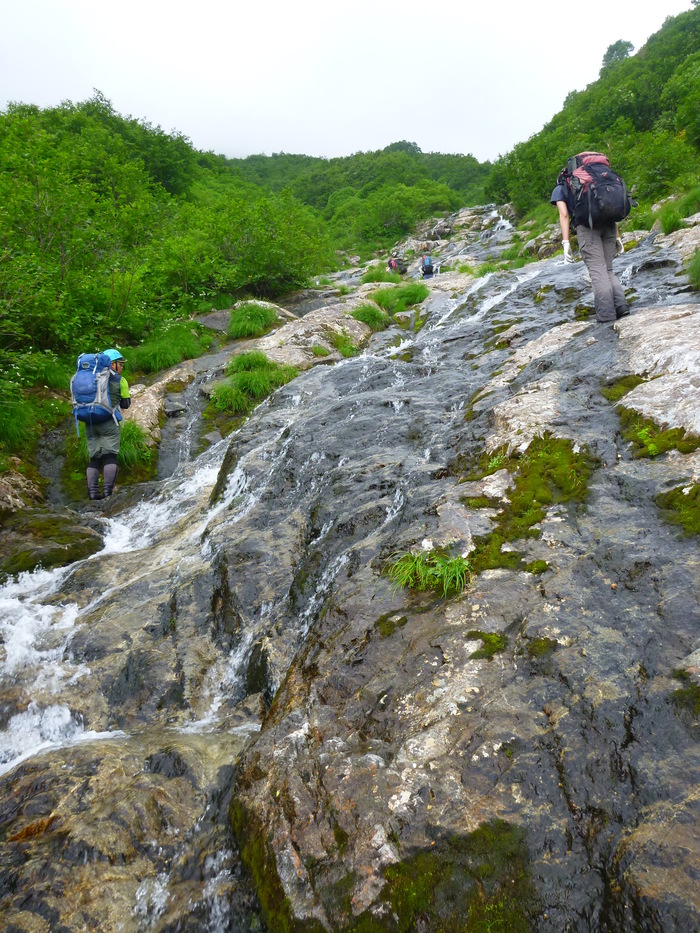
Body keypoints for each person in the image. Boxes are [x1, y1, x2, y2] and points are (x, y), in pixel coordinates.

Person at [551, 153, 629, 323]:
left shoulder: (563, 186)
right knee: (608, 269)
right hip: (609, 226)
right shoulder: (598, 179)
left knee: (598, 272)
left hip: (588, 229)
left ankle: (606, 315)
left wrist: (565, 243)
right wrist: (618, 237)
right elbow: (610, 208)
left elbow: (564, 215)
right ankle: (621, 306)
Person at [85, 348, 131, 500]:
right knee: (110, 456)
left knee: (95, 458)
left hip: (89, 422)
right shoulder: (120, 380)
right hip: (109, 421)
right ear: (112, 364)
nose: (122, 367)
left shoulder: (90, 377)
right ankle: (107, 493)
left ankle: (92, 493)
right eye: (120, 364)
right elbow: (125, 404)